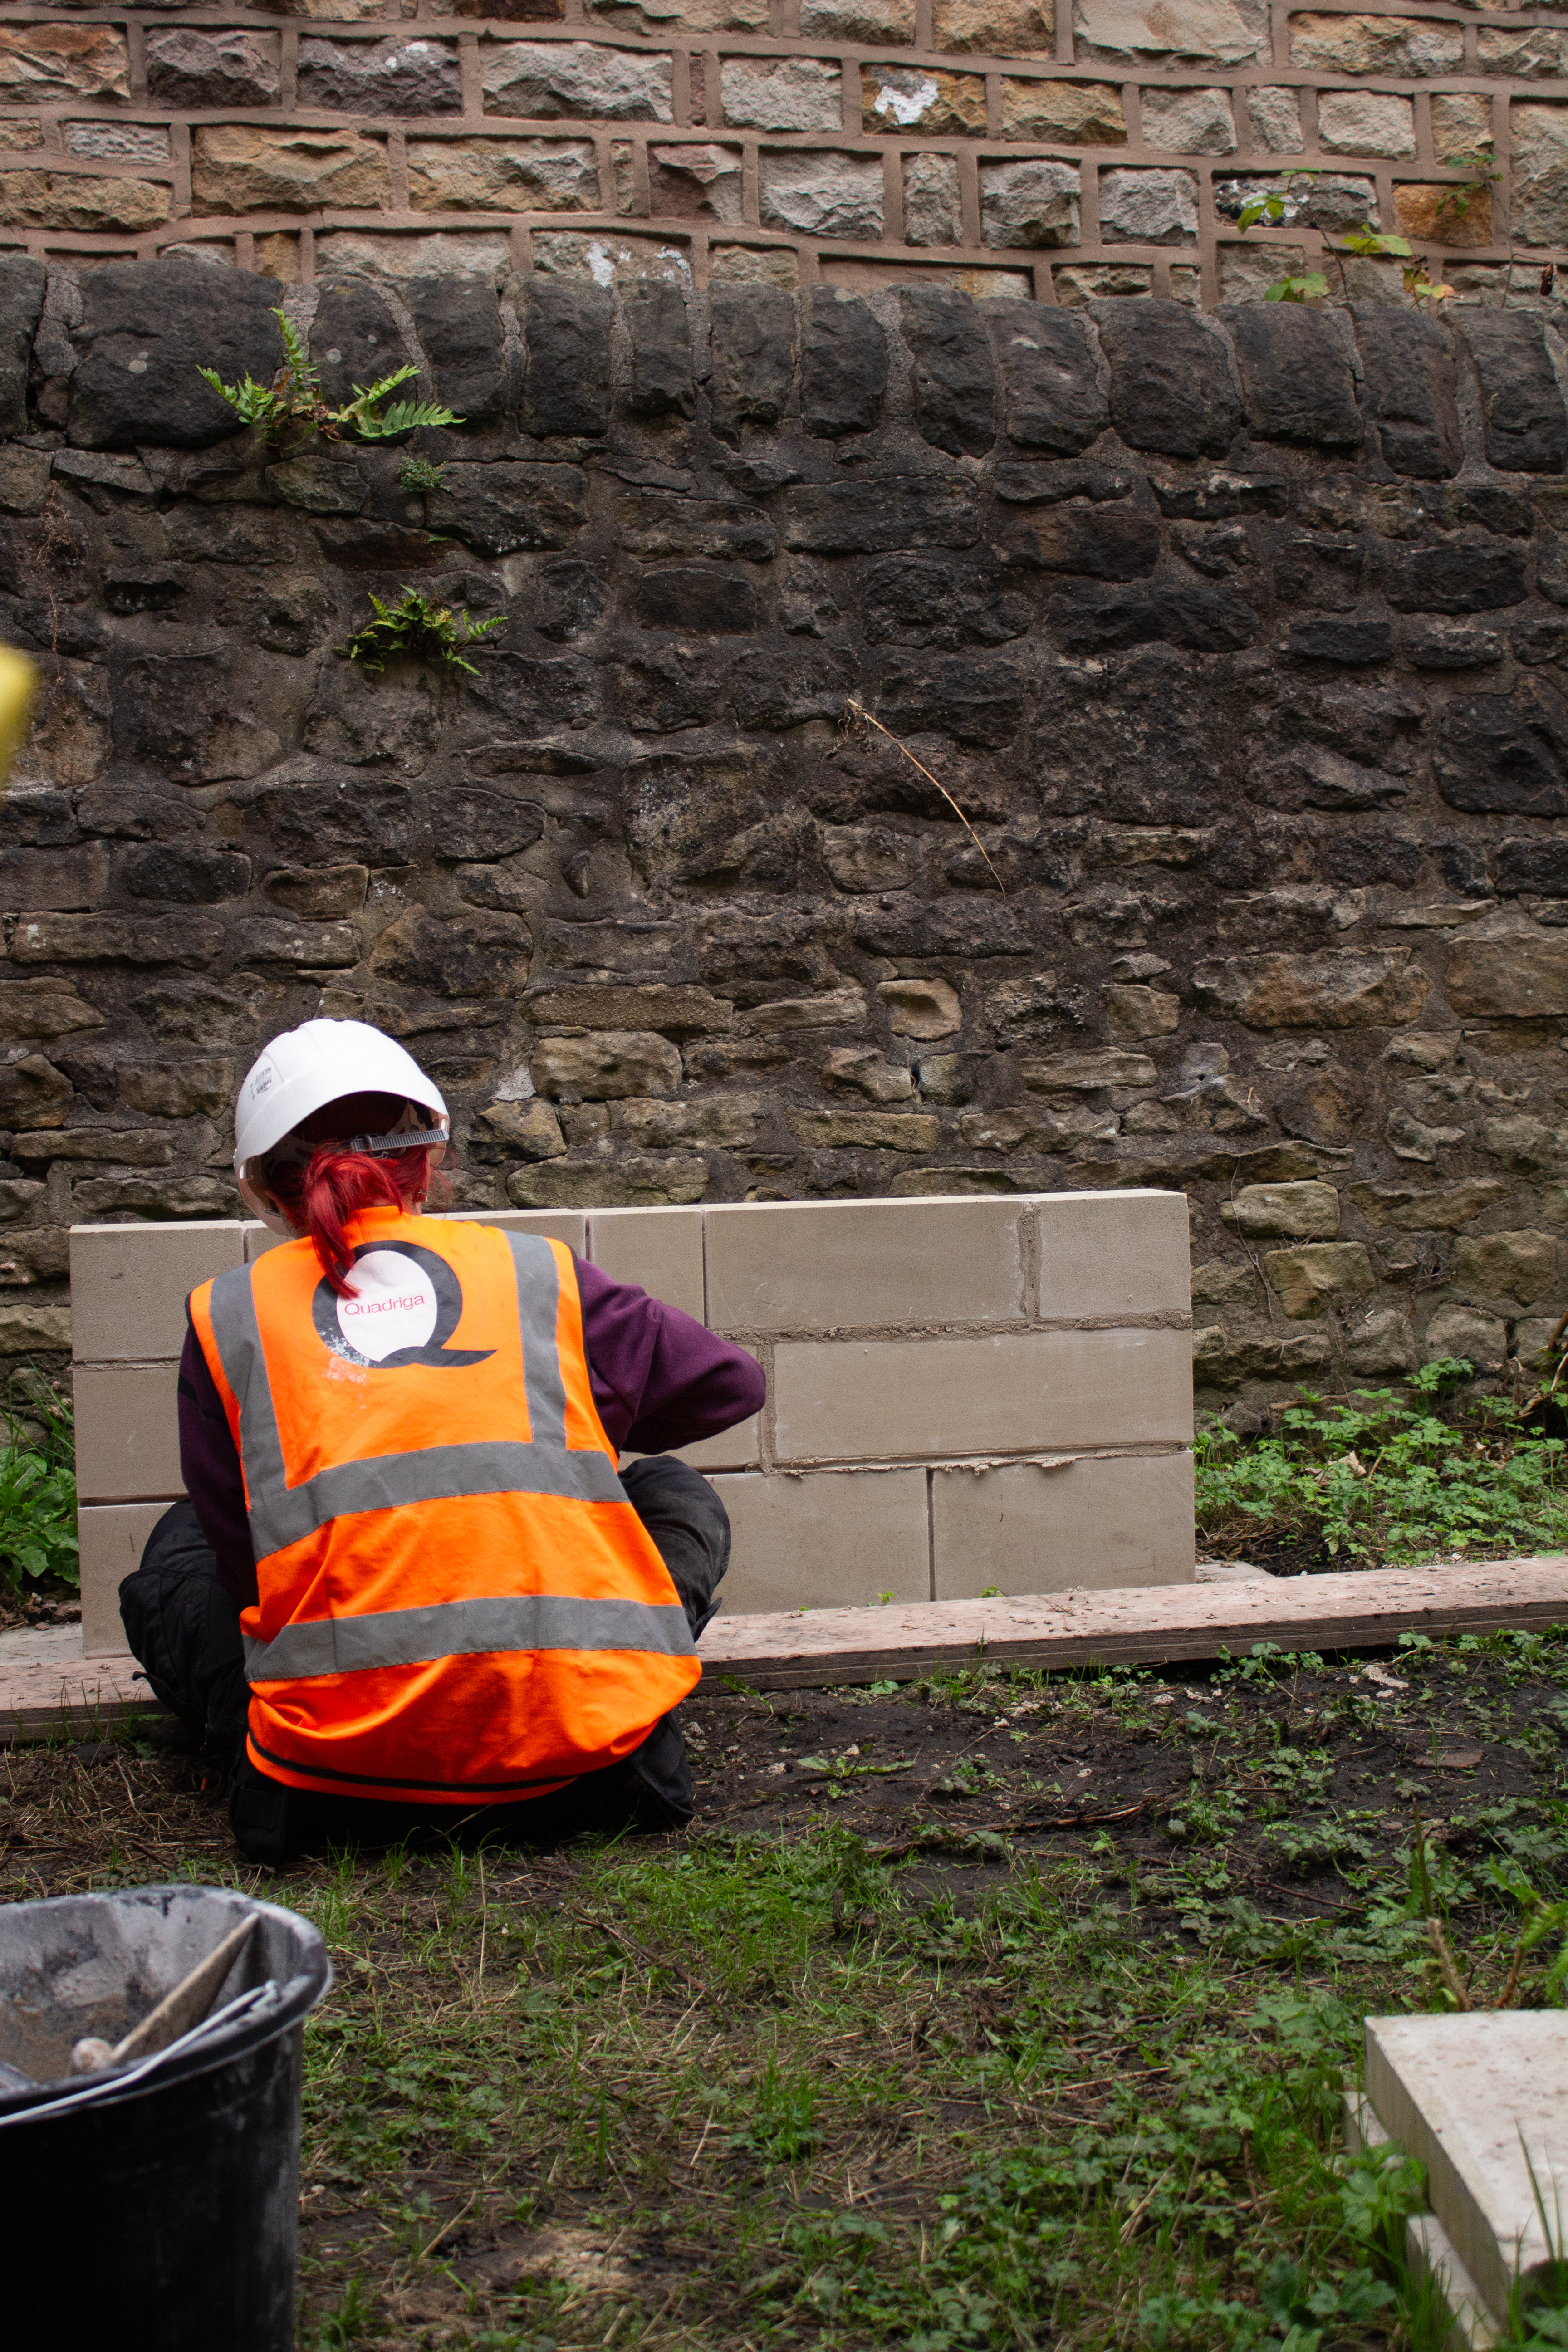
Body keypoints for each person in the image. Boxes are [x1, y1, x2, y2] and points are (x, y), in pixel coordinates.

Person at [119, 1019, 765, 1867]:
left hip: (333, 1790)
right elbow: (732, 1384)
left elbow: (249, 1570)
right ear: (427, 1162)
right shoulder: (537, 1272)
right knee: (672, 1492)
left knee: (182, 1544)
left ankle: (257, 1744)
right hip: (591, 1770)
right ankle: (604, 1691)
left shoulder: (229, 1314)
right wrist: (566, 1417)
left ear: (267, 1192)